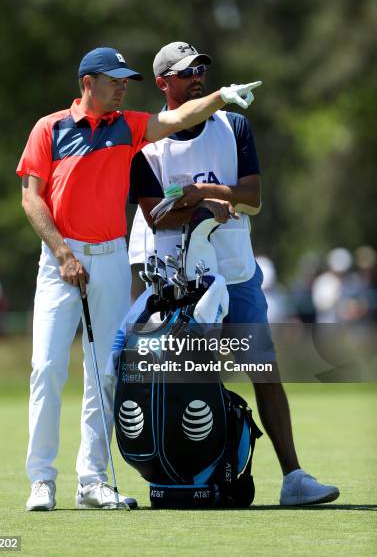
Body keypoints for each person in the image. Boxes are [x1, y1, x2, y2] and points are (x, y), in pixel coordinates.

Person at [17, 45, 261, 511]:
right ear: (88, 83)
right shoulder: (49, 129)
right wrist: (63, 253)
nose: (122, 86)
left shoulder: (128, 126)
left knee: (104, 372)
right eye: (114, 80)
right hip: (60, 260)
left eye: (126, 79)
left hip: (109, 257)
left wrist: (222, 97)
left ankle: (92, 479)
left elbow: (177, 118)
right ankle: (41, 479)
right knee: (47, 368)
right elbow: (32, 198)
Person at [128, 41, 340, 506]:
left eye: (200, 68)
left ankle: (294, 477)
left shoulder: (233, 124)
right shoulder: (147, 142)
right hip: (180, 280)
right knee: (190, 377)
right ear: (163, 83)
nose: (197, 76)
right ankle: (193, 477)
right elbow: (155, 217)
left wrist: (197, 191)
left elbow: (251, 197)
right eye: (185, 73)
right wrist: (206, 205)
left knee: (262, 370)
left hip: (236, 270)